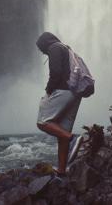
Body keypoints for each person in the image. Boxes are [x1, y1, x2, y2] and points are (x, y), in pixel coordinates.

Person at [36, 31, 84, 176]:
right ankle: (62, 171)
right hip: (75, 93)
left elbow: (56, 72)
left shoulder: (54, 48)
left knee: (42, 122)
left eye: (41, 49)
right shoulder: (66, 48)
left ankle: (74, 139)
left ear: (45, 43)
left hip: (63, 90)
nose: (43, 52)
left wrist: (49, 89)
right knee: (62, 132)